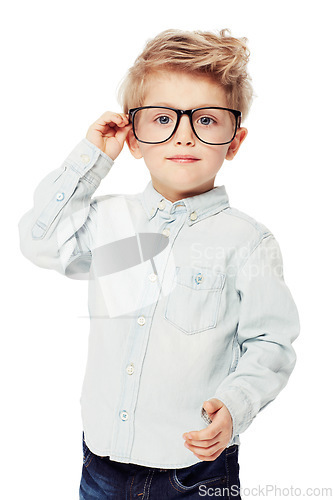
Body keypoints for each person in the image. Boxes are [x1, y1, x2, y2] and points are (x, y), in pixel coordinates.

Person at [18, 29, 300, 499]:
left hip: (195, 470)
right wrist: (90, 160)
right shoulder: (109, 220)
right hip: (102, 461)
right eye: (163, 118)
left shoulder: (246, 242)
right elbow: (39, 242)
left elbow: (270, 342)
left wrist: (236, 405)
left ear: (234, 140)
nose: (184, 134)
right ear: (134, 135)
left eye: (207, 120)